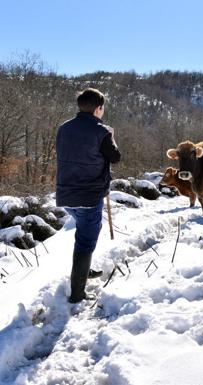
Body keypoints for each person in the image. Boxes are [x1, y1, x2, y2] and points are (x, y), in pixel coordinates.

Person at [56, 88, 121, 303]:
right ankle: (77, 294)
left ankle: (83, 272)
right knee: (85, 241)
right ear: (98, 108)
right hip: (89, 196)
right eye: (103, 108)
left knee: (84, 232)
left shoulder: (63, 128)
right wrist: (111, 136)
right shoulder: (101, 131)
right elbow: (115, 157)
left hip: (66, 195)